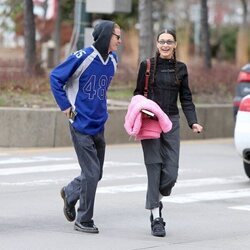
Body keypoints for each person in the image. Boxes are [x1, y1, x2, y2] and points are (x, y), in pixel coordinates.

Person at [50, 20, 122, 234]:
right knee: (91, 173)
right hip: (80, 123)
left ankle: (70, 192)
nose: (120, 40)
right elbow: (55, 77)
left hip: (99, 123)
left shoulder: (113, 61)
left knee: (96, 173)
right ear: (106, 36)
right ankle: (84, 219)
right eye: (117, 36)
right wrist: (66, 106)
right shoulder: (83, 57)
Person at [133, 29, 203, 237]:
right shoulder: (147, 66)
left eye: (169, 42)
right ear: (156, 44)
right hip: (150, 120)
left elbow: (186, 98)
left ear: (175, 45)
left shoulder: (181, 69)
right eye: (162, 41)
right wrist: (144, 109)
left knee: (170, 173)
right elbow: (137, 93)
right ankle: (156, 217)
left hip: (171, 120)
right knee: (154, 167)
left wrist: (193, 122)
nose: (165, 45)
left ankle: (157, 200)